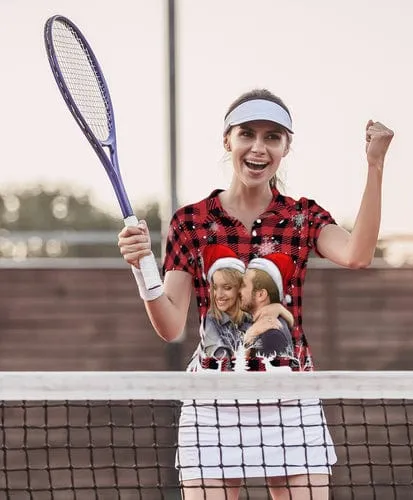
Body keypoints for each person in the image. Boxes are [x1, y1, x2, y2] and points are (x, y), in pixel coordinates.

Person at [118, 88, 394, 499]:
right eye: (247, 133)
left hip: (290, 396)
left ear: (286, 147)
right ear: (227, 140)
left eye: (272, 137)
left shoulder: (303, 216)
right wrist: (143, 272)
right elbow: (170, 326)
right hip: (212, 403)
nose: (258, 147)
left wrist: (375, 164)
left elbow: (357, 255)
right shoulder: (190, 221)